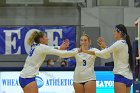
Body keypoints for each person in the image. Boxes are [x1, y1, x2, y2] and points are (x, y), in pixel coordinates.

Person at [81, 24, 133, 93]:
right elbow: (110, 50)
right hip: (128, 77)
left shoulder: (119, 43)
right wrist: (105, 46)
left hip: (121, 76)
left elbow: (102, 53)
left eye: (115, 31)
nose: (113, 33)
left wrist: (85, 51)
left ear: (119, 32)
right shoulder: (125, 43)